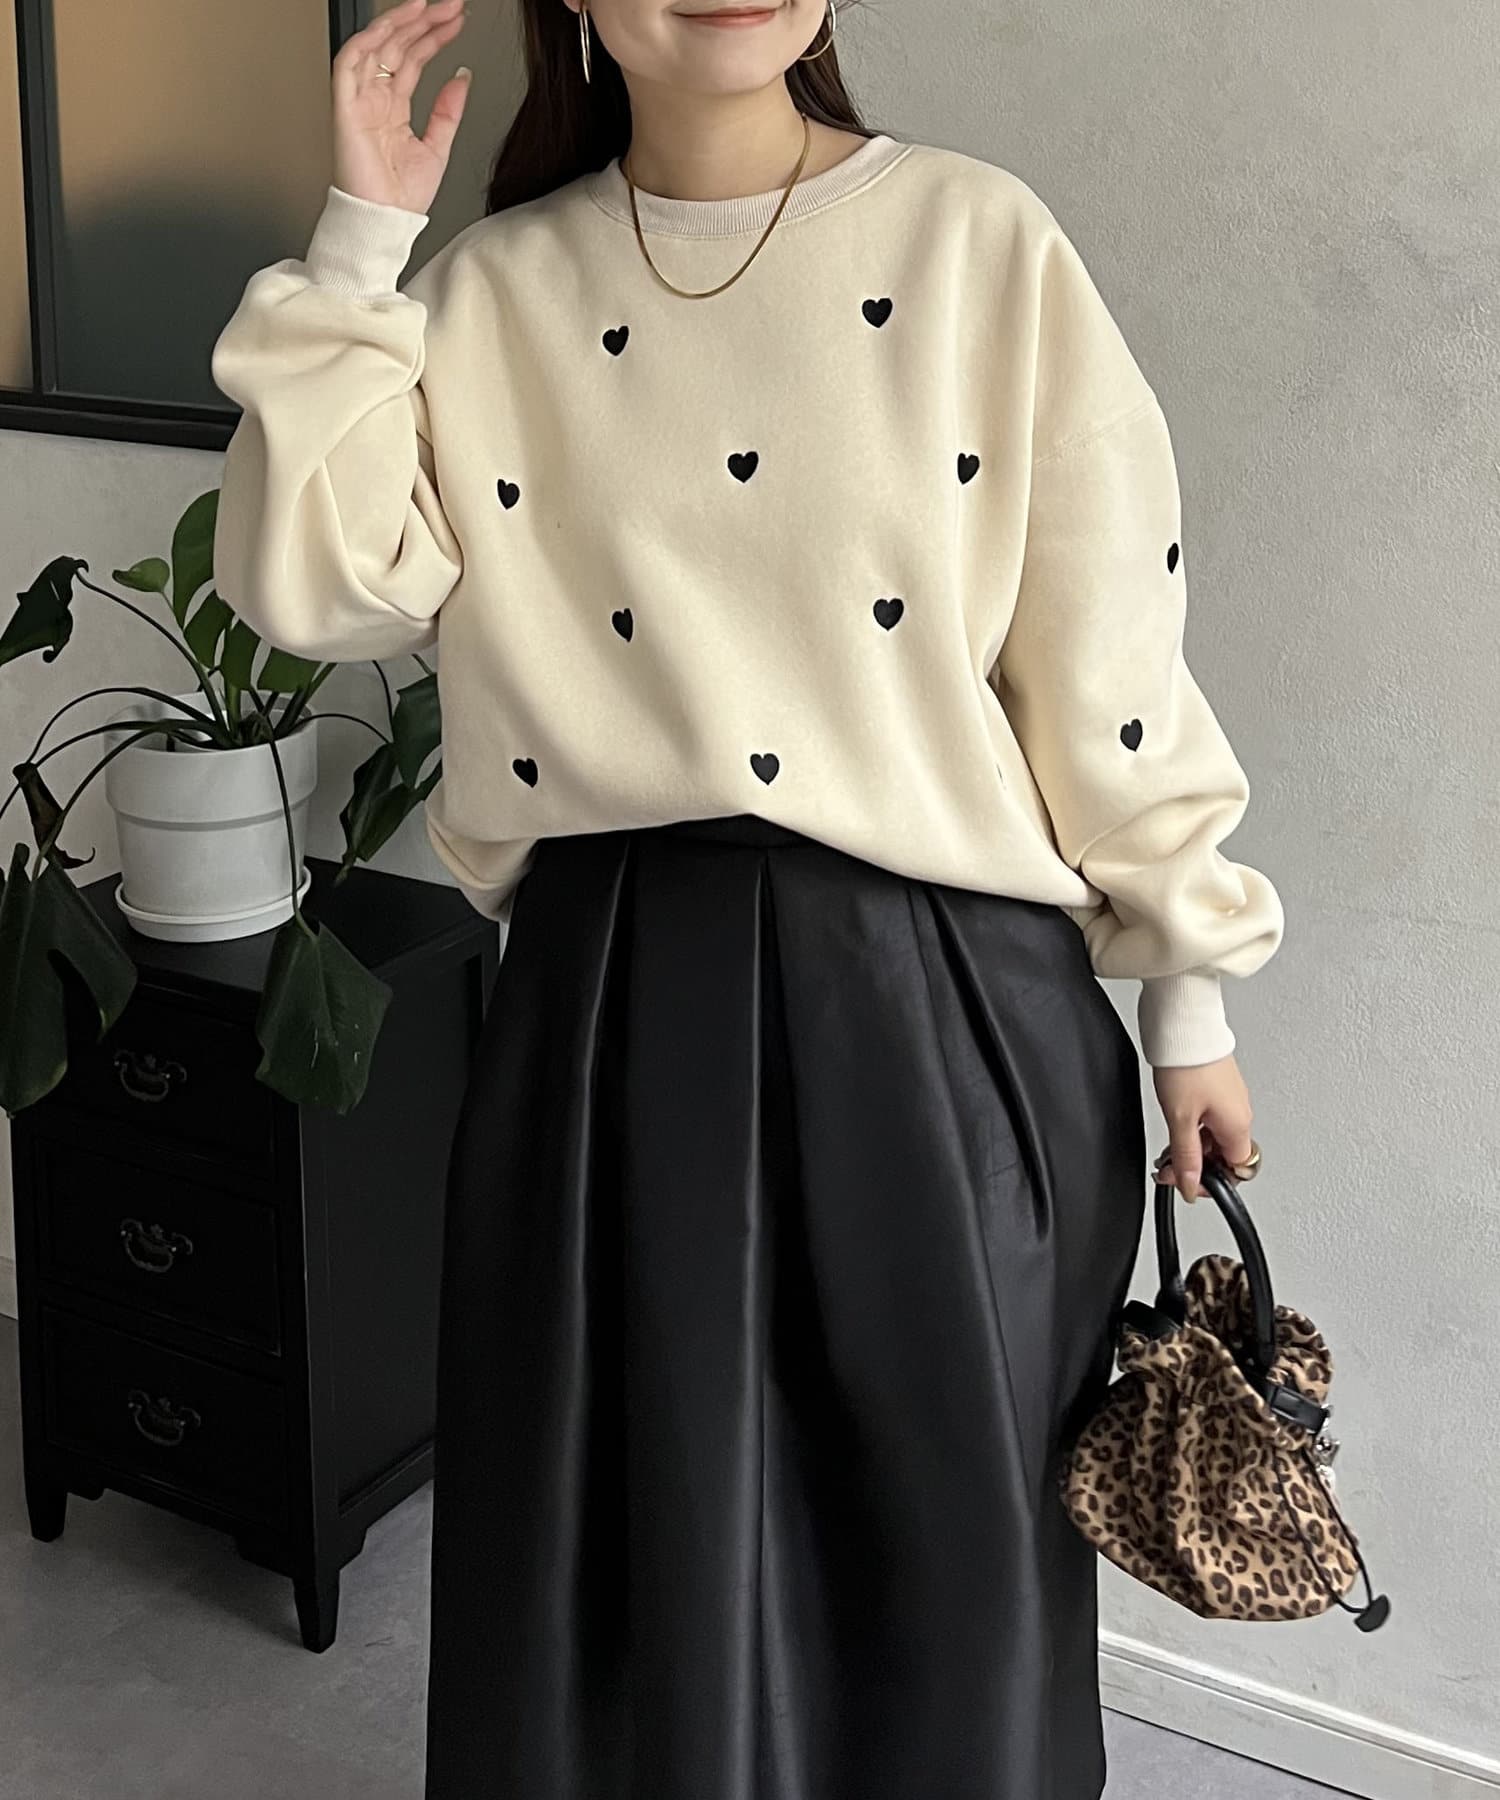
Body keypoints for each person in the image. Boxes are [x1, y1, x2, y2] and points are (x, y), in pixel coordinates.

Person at [208, 1, 1285, 1793]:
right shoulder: (484, 293)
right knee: (616, 1576)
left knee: (944, 1592)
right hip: (608, 1013)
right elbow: (311, 587)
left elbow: (1107, 652)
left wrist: (1191, 997)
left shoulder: (975, 240)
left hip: (949, 1018)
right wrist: (362, 241)